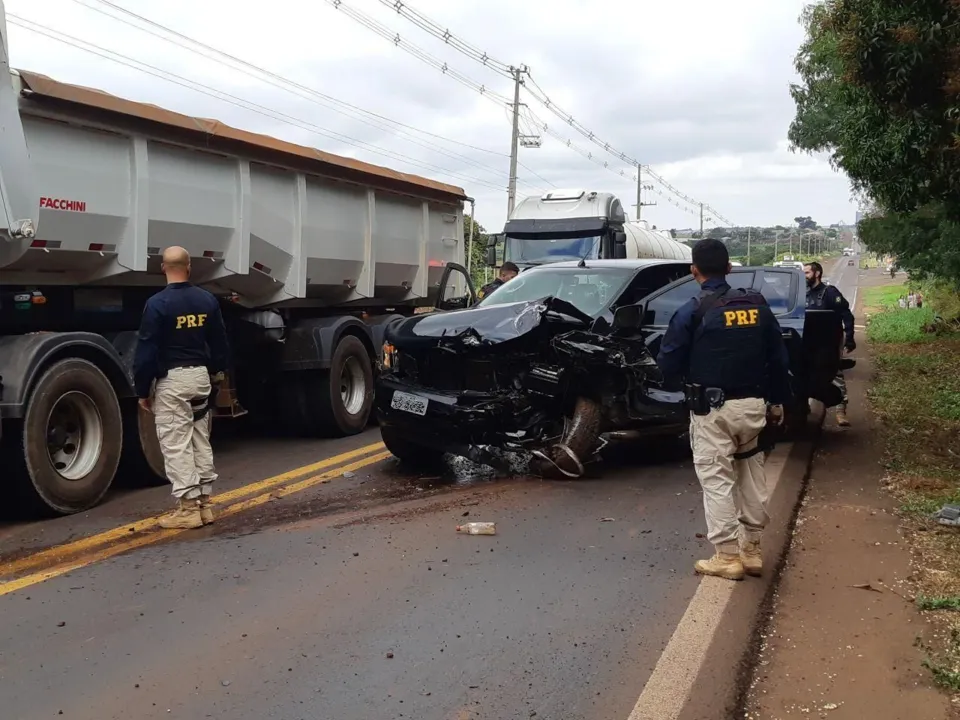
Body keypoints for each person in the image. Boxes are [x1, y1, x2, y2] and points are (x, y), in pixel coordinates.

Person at [657, 239, 791, 581]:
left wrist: (680, 387)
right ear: (730, 269)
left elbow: (668, 363)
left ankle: (727, 556)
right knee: (751, 477)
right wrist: (777, 402)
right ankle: (753, 551)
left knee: (717, 481)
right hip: (754, 407)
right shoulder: (757, 306)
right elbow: (778, 358)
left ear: (694, 271)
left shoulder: (692, 310)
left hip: (711, 412)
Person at [133, 246, 230, 529]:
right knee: (200, 437)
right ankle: (204, 505)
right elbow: (220, 341)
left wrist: (143, 390)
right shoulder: (207, 300)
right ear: (189, 267)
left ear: (164, 267)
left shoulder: (157, 304)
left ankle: (187, 509)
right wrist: (217, 373)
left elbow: (146, 351)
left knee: (176, 442)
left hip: (173, 381)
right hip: (200, 377)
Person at [804, 261, 855, 427]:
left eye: (807, 273)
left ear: (817, 273)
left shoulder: (830, 293)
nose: (804, 276)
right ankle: (803, 408)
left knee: (836, 374)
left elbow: (846, 315)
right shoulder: (802, 294)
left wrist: (850, 338)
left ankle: (841, 411)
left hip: (829, 344)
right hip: (808, 345)